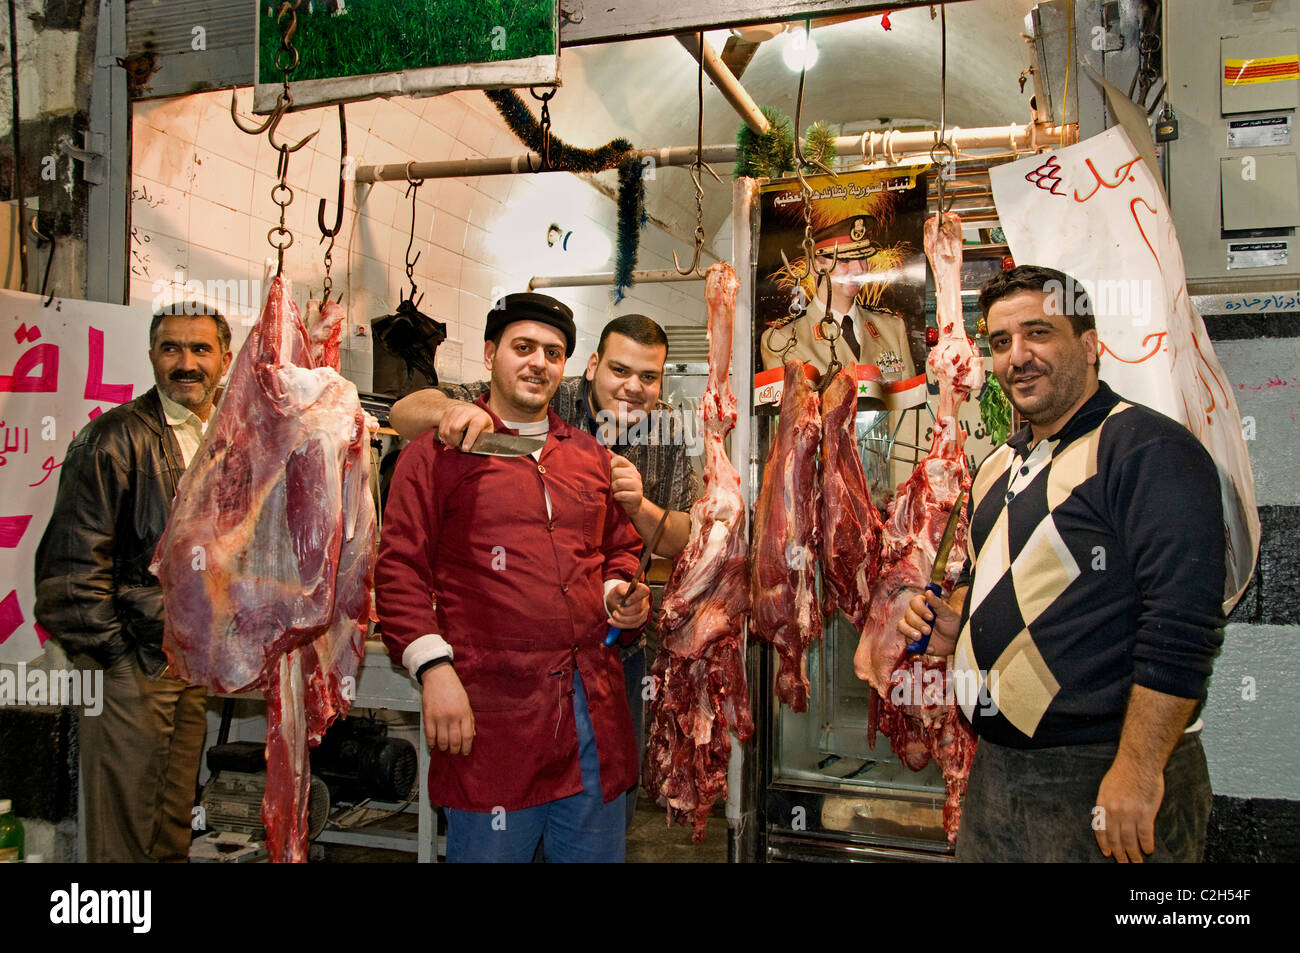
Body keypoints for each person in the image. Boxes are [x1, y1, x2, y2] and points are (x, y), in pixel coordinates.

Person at [898, 265, 1227, 863]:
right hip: (1000, 774)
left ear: (1090, 345)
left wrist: (1139, 768)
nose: (1017, 357)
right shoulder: (999, 466)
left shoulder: (1146, 449)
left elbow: (1182, 624)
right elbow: (1025, 584)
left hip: (1102, 770)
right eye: (1000, 343)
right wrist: (961, 623)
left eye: (1038, 333)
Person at [389, 311, 699, 827]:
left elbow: (651, 543)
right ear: (592, 366)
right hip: (499, 692)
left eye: (648, 377)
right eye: (621, 371)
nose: (633, 388)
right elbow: (404, 414)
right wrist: (450, 413)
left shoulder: (652, 435)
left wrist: (621, 579)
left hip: (601, 675)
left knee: (597, 820)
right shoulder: (455, 444)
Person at [34, 305, 233, 862]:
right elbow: (70, 572)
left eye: (200, 350)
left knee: (170, 824)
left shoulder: (222, 438)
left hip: (189, 660)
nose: (186, 363)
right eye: (171, 349)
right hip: (132, 664)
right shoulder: (113, 439)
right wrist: (117, 660)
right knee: (124, 834)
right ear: (151, 357)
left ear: (224, 358)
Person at [759, 216, 922, 391]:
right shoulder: (783, 340)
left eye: (862, 259)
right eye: (844, 261)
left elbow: (910, 399)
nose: (859, 270)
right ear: (815, 267)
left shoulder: (892, 328)